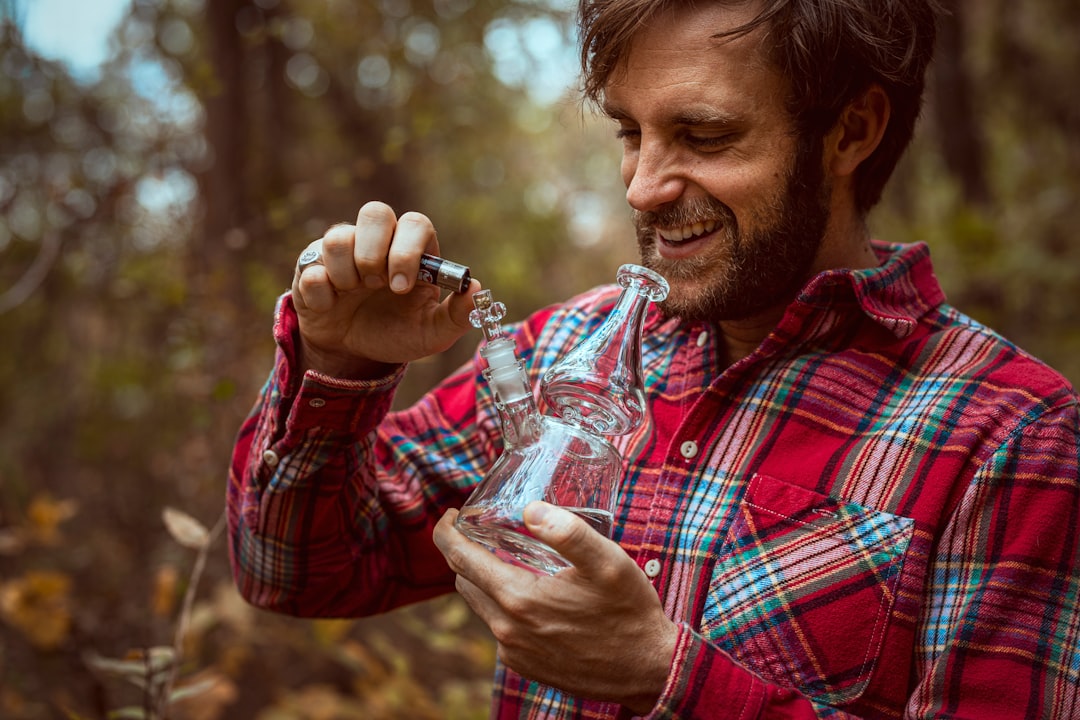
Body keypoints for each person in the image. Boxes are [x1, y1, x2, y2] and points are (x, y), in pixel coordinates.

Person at [227, 0, 1080, 717]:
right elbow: (293, 574)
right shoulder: (566, 351)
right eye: (631, 132)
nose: (641, 187)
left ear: (851, 131)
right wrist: (338, 362)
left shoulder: (1012, 436)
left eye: (703, 135)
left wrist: (665, 677)